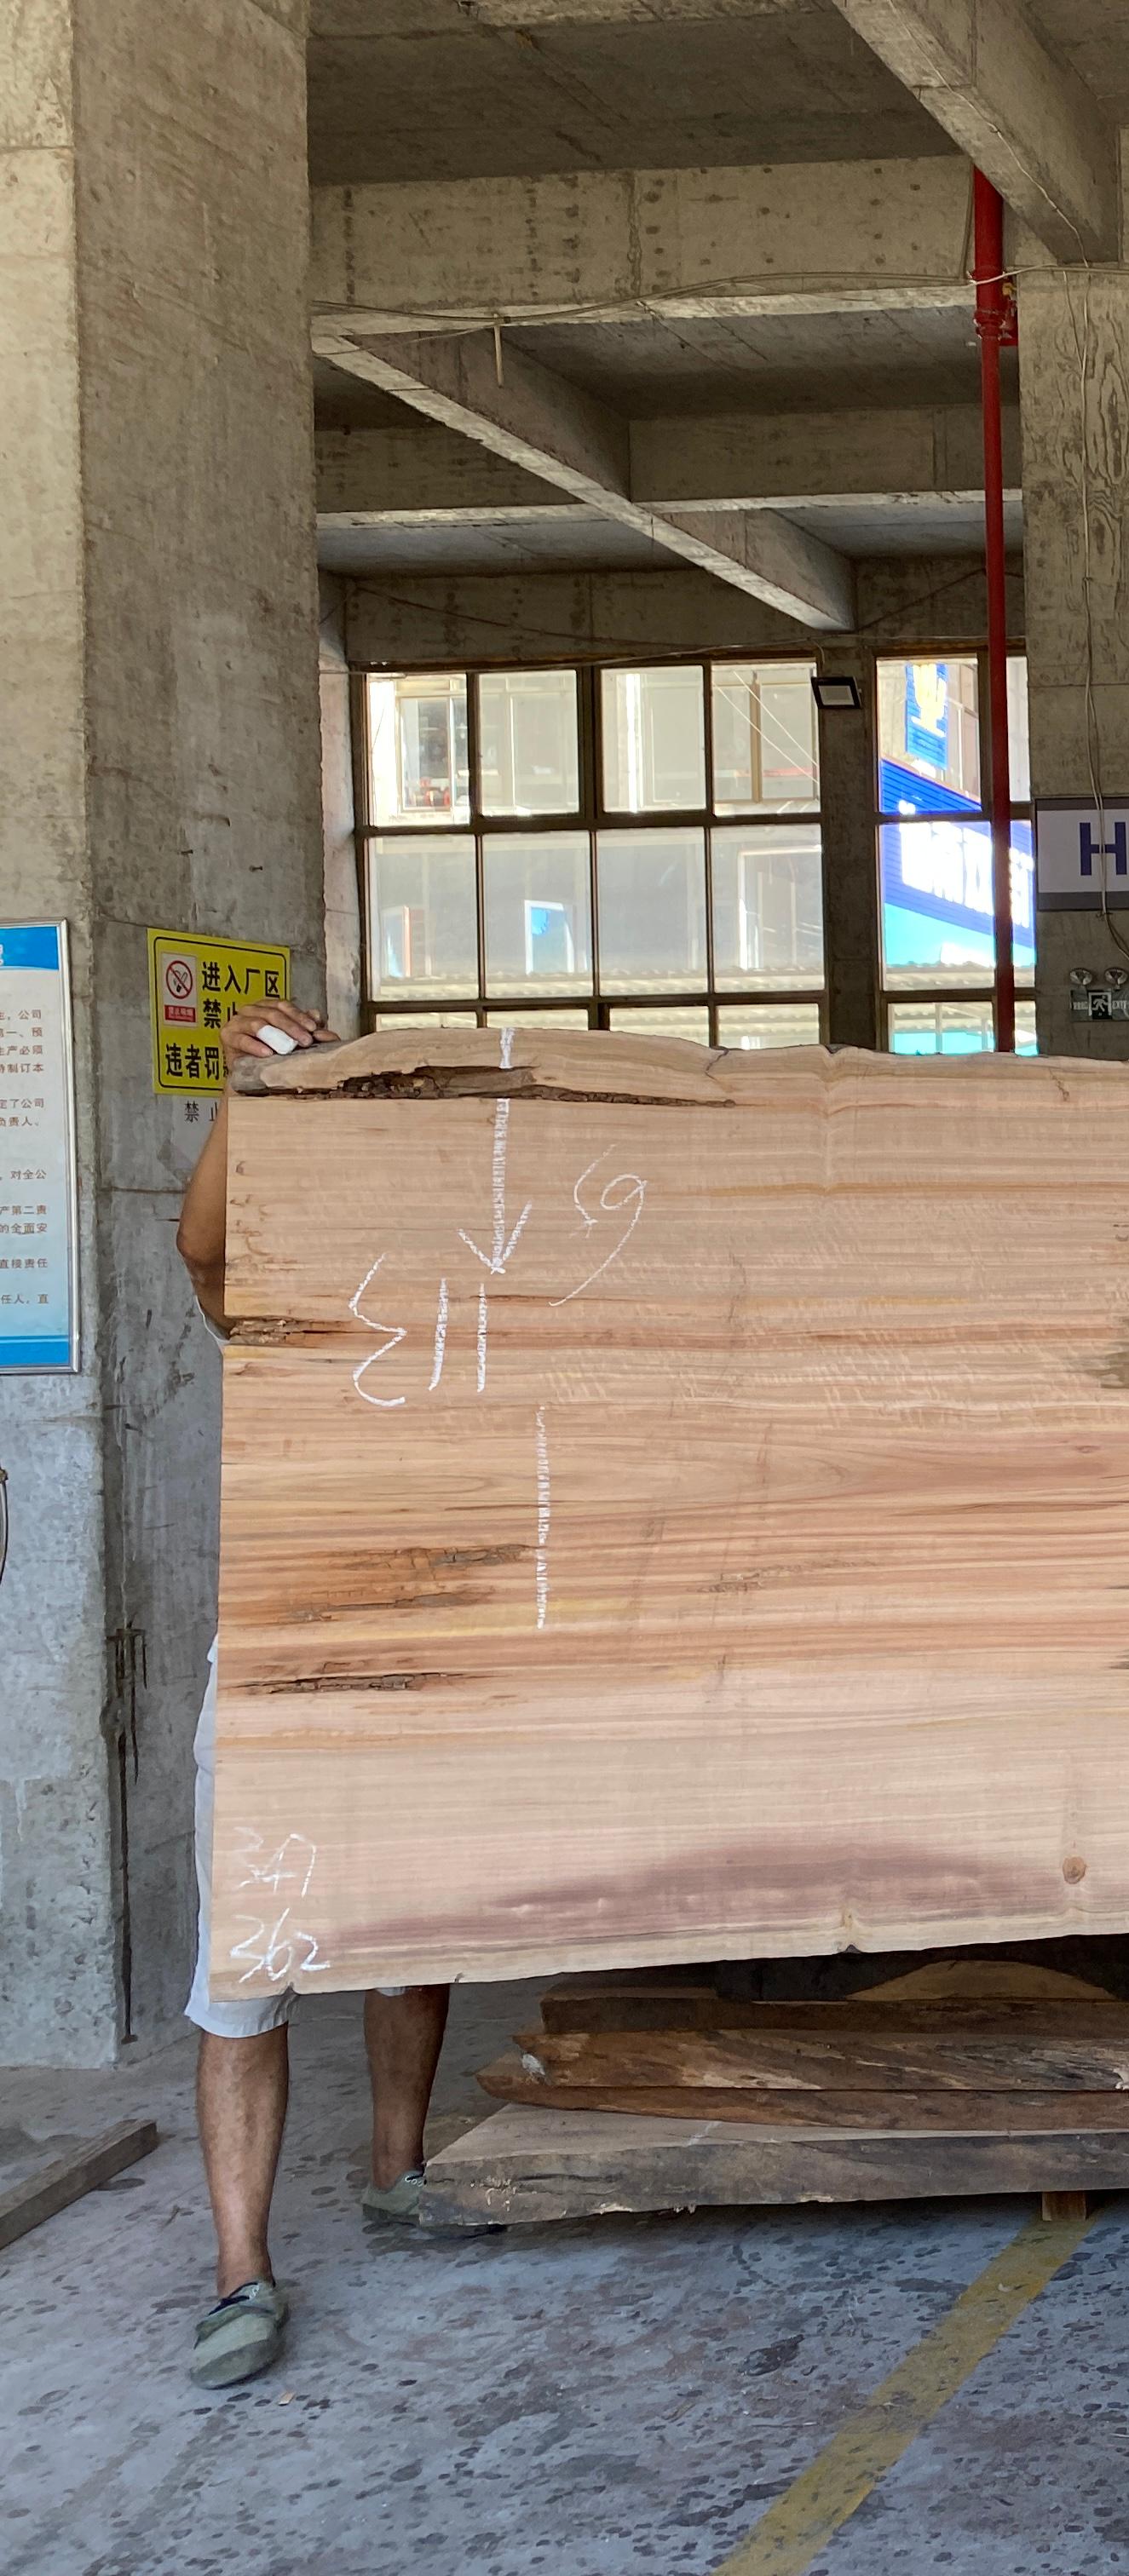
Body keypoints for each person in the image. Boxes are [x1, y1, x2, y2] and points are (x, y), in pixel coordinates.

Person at [174, 992, 458, 2389]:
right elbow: (203, 1246)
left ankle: (398, 2169)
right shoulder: (280, 1308)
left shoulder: (458, 1317)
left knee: (413, 1939)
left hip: (418, 1664)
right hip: (281, 1668)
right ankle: (242, 2272)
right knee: (247, 1967)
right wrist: (261, 1100)